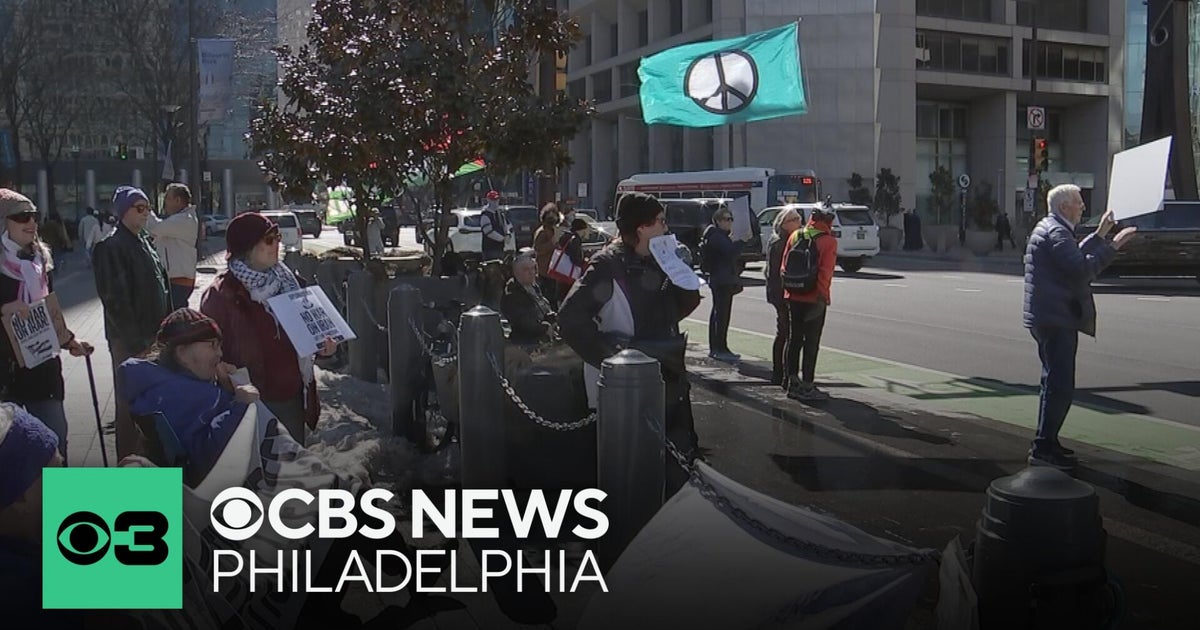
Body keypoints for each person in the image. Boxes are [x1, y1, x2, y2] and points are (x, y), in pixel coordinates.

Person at [558, 192, 701, 490]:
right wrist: (613, 358)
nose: (665, 228)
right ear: (641, 228)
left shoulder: (657, 260)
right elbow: (570, 318)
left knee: (675, 468)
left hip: (667, 374)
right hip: (623, 387)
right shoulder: (607, 265)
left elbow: (673, 311)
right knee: (628, 477)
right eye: (660, 222)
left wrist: (683, 278)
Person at [1023, 184, 1137, 469]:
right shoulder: (1057, 232)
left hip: (1049, 316)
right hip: (1056, 318)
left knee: (1053, 383)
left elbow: (1072, 256)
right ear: (1064, 207)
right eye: (1079, 202)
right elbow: (1081, 270)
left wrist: (1099, 234)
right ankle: (1043, 448)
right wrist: (1113, 246)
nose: (1083, 207)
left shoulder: (1052, 228)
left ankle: (1047, 441)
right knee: (1060, 386)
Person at [200, 212, 338, 442]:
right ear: (247, 247)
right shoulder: (221, 294)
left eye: (278, 237)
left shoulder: (290, 282)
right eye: (269, 239)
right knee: (255, 471)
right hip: (248, 402)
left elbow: (309, 337)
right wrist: (220, 368)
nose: (277, 243)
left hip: (292, 397)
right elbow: (206, 351)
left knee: (293, 469)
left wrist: (324, 349)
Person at [0, 189, 93, 463]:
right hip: (6, 374)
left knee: (55, 443)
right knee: (11, 453)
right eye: (21, 217)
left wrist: (69, 341)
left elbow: (48, 311)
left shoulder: (41, 261)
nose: (31, 223)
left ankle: (57, 504)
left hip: (43, 367)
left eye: (34, 216)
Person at [120, 308, 261, 486]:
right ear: (182, 353)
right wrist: (239, 406)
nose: (220, 354)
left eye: (219, 345)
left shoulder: (165, 384)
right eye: (212, 345)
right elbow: (206, 456)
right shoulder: (177, 395)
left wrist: (226, 389)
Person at [93, 185, 171, 459]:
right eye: (140, 208)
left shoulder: (144, 242)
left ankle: (148, 461)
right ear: (124, 211)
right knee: (130, 407)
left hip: (154, 334)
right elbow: (115, 301)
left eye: (149, 208)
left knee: (151, 404)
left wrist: (168, 330)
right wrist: (137, 343)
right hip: (130, 339)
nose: (146, 214)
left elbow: (162, 285)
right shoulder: (111, 246)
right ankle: (128, 469)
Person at [781, 203, 838, 402]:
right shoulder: (828, 241)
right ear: (827, 220)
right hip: (814, 298)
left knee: (793, 339)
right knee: (811, 343)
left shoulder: (795, 235)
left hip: (793, 295)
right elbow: (825, 273)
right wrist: (823, 298)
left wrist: (789, 290)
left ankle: (791, 382)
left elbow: (784, 267)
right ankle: (807, 385)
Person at [765, 207, 803, 386]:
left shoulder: (788, 239)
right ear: (784, 224)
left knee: (785, 333)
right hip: (781, 294)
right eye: (794, 219)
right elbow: (777, 273)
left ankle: (781, 373)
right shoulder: (780, 243)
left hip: (782, 293)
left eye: (798, 218)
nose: (799, 222)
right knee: (786, 334)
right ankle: (781, 373)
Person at [147, 183, 199, 310]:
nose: (165, 203)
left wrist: (145, 210)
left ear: (178, 200)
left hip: (178, 280)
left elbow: (155, 227)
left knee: (174, 319)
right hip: (176, 279)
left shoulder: (184, 219)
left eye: (168, 198)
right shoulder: (181, 219)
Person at [700, 206, 741, 363]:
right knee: (721, 314)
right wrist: (740, 242)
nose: (730, 222)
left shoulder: (718, 235)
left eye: (731, 219)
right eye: (726, 219)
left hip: (720, 279)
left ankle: (718, 347)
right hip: (721, 280)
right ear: (718, 221)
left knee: (719, 313)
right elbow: (730, 253)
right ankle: (719, 348)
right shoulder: (717, 237)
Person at [501, 251, 556, 346]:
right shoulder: (512, 294)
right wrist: (545, 327)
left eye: (533, 268)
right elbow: (524, 323)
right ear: (516, 273)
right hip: (526, 342)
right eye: (526, 270)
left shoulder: (533, 287)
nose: (532, 272)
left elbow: (544, 309)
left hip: (544, 336)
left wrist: (553, 318)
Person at [533, 203, 561, 306]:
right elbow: (538, 249)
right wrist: (552, 243)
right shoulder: (542, 232)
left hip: (555, 269)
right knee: (547, 297)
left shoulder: (554, 230)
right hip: (545, 270)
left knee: (554, 297)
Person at [553, 218, 589, 294]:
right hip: (570, 274)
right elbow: (576, 259)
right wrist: (584, 261)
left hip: (562, 272)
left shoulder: (565, 236)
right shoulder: (575, 240)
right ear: (581, 230)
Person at [480, 190, 510, 262]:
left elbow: (505, 226)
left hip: (500, 248)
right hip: (490, 249)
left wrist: (508, 234)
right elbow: (488, 232)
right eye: (493, 200)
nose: (495, 202)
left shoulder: (500, 214)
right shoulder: (485, 215)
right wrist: (502, 238)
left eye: (497, 199)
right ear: (488, 200)